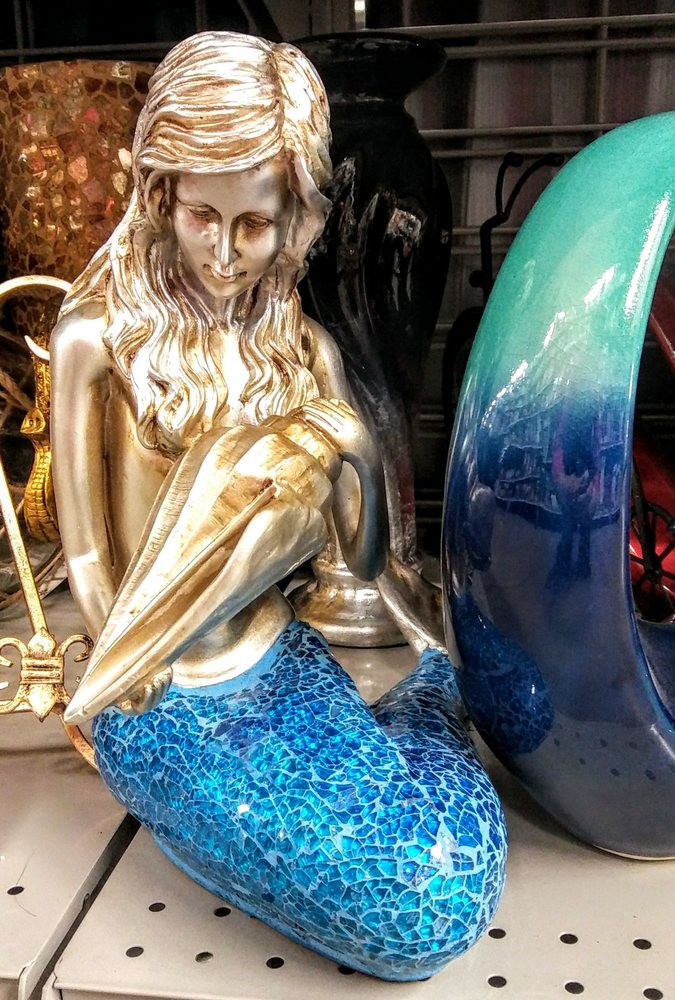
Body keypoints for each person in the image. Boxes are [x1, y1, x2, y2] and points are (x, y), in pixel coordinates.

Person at [53, 32, 506, 982]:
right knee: (415, 911)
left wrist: (352, 451)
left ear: (296, 217)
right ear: (159, 195)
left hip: (283, 661)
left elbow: (362, 565)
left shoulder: (303, 351)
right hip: (162, 699)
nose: (224, 253)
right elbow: (89, 559)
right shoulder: (97, 339)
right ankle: (429, 712)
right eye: (200, 215)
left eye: (254, 224)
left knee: (435, 883)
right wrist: (133, 677)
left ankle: (428, 703)